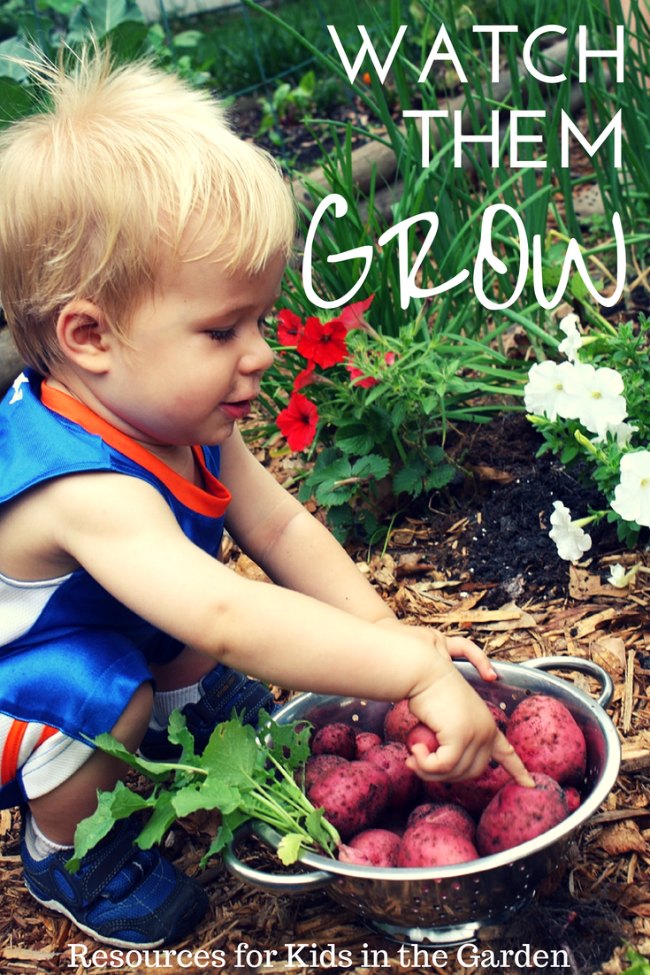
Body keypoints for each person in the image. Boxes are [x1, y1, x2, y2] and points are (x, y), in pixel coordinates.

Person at [0, 46, 531, 949]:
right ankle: (64, 852)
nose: (260, 352)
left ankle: (182, 711)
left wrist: (391, 640)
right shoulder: (78, 481)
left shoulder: (173, 415)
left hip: (129, 615)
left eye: (260, 317)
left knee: (160, 633)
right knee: (108, 686)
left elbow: (279, 525)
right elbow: (224, 612)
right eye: (220, 329)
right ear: (89, 335)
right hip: (29, 686)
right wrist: (413, 675)